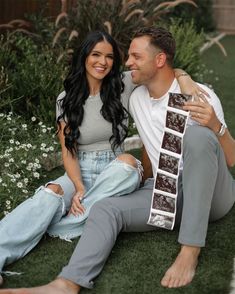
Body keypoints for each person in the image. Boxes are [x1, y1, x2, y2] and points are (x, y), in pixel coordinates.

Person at [0, 29, 210, 292]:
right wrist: (77, 187)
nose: (103, 61)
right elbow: (68, 151)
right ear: (84, 57)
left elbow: (163, 68)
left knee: (124, 165)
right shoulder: (65, 99)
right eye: (96, 54)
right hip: (81, 169)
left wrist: (186, 79)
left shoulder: (124, 84)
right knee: (49, 194)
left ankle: (52, 222)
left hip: (116, 171)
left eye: (109, 56)